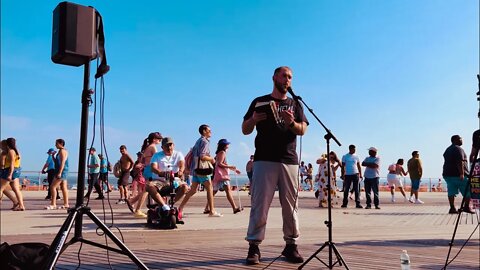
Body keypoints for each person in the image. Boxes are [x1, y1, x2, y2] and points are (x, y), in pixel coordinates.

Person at [242, 66, 308, 265]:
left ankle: (291, 245)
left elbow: (302, 129)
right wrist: (253, 119)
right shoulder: (259, 101)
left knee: (291, 205)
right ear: (274, 78)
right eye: (284, 76)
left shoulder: (295, 103)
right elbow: (245, 129)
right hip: (264, 159)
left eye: (290, 77)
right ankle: (254, 247)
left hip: (288, 160)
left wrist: (292, 124)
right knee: (260, 204)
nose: (287, 80)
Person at [178, 125, 221, 217]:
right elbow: (202, 156)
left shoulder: (198, 141)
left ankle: (180, 207)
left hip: (195, 168)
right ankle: (212, 211)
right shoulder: (205, 141)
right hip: (202, 169)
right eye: (209, 130)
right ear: (204, 131)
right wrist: (212, 159)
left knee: (193, 190)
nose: (211, 132)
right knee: (209, 188)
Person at [147, 137, 189, 217]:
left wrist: (180, 171)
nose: (169, 147)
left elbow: (182, 164)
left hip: (174, 179)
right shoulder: (157, 155)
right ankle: (164, 206)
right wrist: (161, 173)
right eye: (166, 146)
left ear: (173, 145)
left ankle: (171, 203)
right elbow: (153, 167)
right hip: (160, 180)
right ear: (162, 147)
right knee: (149, 186)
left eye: (170, 145)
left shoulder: (178, 154)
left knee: (185, 187)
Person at [204, 139, 242, 214]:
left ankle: (207, 208)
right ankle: (234, 208)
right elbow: (220, 164)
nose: (228, 145)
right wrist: (231, 167)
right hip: (223, 176)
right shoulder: (222, 152)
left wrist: (234, 169)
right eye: (227, 144)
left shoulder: (219, 153)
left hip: (219, 175)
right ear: (224, 145)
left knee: (214, 192)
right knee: (228, 191)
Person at [443, 135, 474, 214]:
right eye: (460, 139)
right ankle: (466, 207)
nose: (462, 140)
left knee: (451, 191)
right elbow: (460, 161)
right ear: (455, 140)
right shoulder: (458, 149)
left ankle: (452, 208)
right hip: (458, 175)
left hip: (448, 175)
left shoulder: (447, 149)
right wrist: (462, 173)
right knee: (468, 190)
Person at [0, 138, 25, 211]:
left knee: (1, 189)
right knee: (16, 189)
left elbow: (11, 164)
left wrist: (10, 174)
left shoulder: (10, 151)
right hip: (16, 171)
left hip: (9, 170)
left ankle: (18, 204)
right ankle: (21, 205)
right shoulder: (17, 151)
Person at [45, 139, 69, 210]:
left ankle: (53, 204)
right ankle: (66, 204)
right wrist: (53, 156)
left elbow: (62, 163)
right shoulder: (60, 151)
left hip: (61, 171)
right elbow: (57, 162)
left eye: (56, 143)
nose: (55, 145)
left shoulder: (63, 151)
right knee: (63, 187)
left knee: (52, 187)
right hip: (61, 170)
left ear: (60, 143)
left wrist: (60, 172)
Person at [341, 144, 363, 209]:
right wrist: (342, 174)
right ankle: (345, 203)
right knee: (346, 189)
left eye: (355, 149)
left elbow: (359, 165)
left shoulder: (356, 156)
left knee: (357, 189)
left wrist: (360, 174)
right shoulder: (345, 156)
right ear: (350, 149)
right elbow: (343, 166)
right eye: (353, 149)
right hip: (347, 174)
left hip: (355, 174)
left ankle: (358, 203)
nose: (355, 150)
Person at [127, 152, 148, 218]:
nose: (139, 158)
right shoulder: (139, 163)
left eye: (139, 156)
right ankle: (132, 202)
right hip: (139, 179)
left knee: (142, 193)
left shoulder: (143, 162)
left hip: (142, 179)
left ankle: (132, 202)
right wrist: (142, 165)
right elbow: (136, 167)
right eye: (138, 157)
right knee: (142, 193)